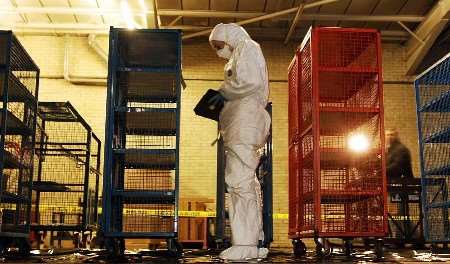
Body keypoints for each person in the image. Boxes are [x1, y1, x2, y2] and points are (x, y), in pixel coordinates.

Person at [208, 23, 271, 260]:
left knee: (238, 181)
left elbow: (250, 82)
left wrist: (223, 93)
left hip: (245, 123)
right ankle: (253, 242)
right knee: (246, 181)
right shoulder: (241, 52)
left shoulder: (247, 46)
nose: (218, 51)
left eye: (219, 45)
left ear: (229, 36)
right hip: (243, 123)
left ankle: (244, 245)